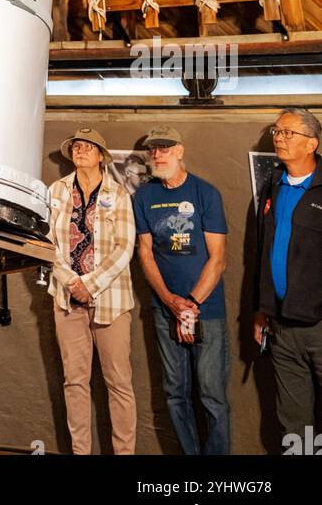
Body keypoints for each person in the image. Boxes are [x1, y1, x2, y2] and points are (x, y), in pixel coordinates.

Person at [133, 125, 229, 456]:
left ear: (180, 150)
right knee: (175, 392)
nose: (157, 154)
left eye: (164, 147)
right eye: (152, 149)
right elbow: (144, 253)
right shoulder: (143, 197)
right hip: (165, 310)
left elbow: (218, 260)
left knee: (212, 394)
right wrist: (168, 301)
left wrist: (190, 304)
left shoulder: (206, 193)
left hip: (206, 311)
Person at [49, 125, 137, 455]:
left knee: (119, 383)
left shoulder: (119, 194)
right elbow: (47, 242)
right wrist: (72, 282)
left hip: (111, 302)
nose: (80, 150)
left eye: (88, 146)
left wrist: (91, 284)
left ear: (101, 156)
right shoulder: (56, 191)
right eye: (75, 146)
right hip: (67, 298)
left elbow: (124, 247)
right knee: (75, 382)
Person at [252, 108, 322, 444]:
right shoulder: (273, 186)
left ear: (312, 143)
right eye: (276, 131)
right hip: (281, 328)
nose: (278, 138)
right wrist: (262, 310)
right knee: (295, 425)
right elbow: (262, 253)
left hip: (319, 328)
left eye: (287, 132)